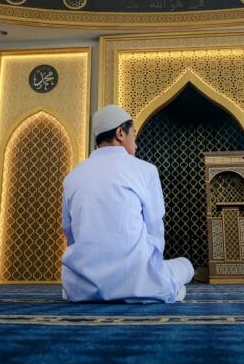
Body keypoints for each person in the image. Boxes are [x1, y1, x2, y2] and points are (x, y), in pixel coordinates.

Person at [61, 104, 194, 303]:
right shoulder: (145, 170)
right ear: (120, 133)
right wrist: (149, 268)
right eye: (134, 135)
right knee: (186, 265)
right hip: (137, 280)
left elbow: (69, 232)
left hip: (84, 286)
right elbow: (155, 231)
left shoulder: (72, 177)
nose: (136, 144)